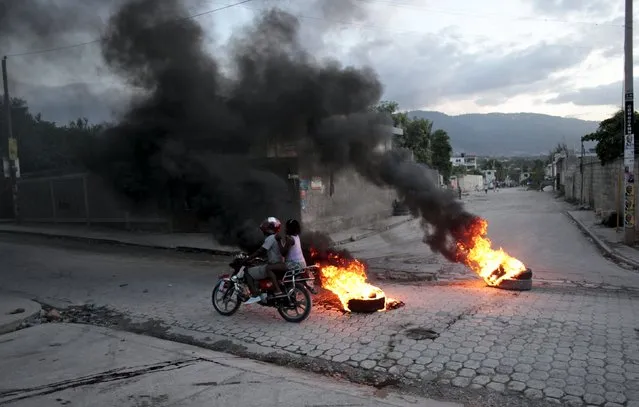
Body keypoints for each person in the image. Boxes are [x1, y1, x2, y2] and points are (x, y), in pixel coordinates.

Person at [244, 217, 284, 304]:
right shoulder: (278, 238)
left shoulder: (271, 238)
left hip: (274, 265)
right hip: (279, 264)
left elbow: (261, 251)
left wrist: (248, 258)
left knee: (247, 272)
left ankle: (255, 295)